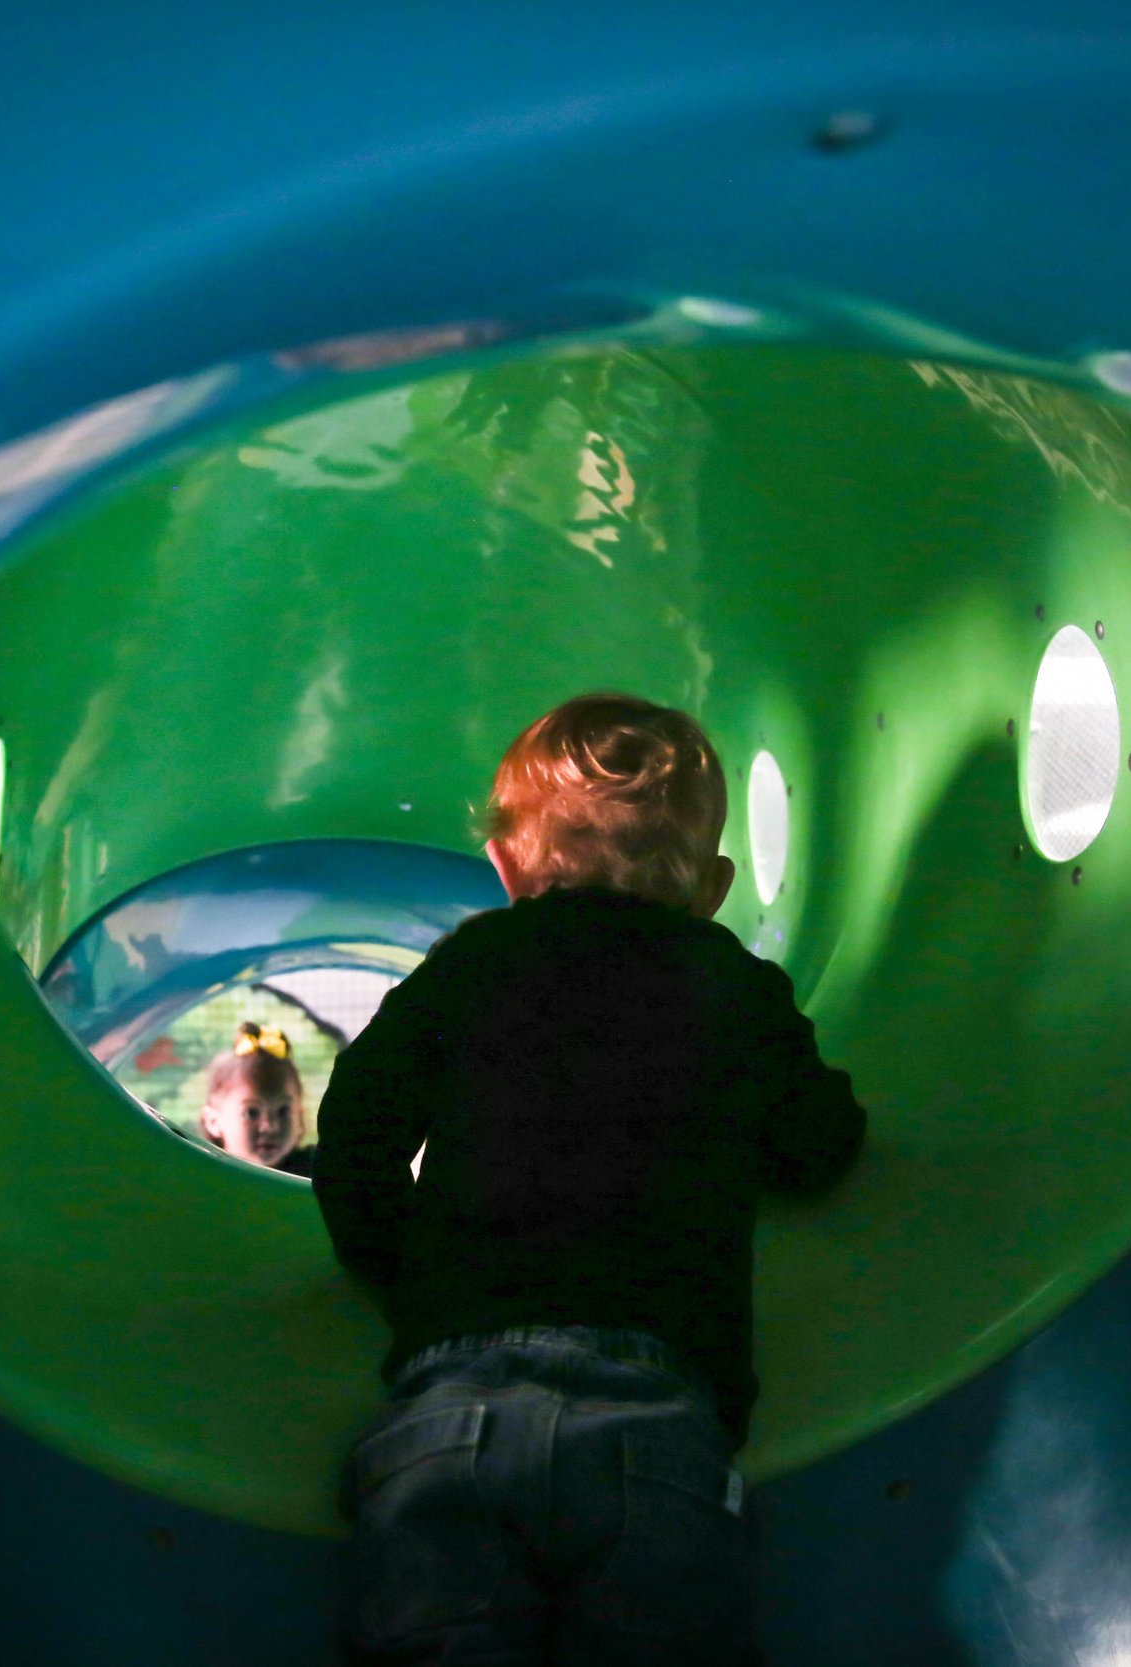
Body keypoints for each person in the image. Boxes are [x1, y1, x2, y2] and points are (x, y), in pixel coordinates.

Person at [314, 693, 867, 1664]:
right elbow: (819, 1146)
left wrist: (407, 1282)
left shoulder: (472, 961)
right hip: (654, 1426)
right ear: (715, 884)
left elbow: (356, 1127)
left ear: (505, 867)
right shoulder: (727, 978)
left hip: (449, 1412)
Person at [198, 1021, 315, 1176]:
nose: (270, 1126)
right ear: (213, 1121)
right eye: (252, 1112)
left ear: (300, 1117)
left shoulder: (321, 1171)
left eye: (283, 1111)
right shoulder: (203, 1175)